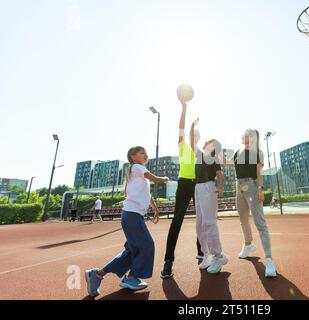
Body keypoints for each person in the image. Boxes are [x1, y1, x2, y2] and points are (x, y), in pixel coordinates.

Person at [85, 146, 169, 297]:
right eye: (141, 152)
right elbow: (154, 178)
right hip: (132, 215)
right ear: (133, 156)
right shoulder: (137, 167)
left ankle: (96, 275)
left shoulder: (138, 174)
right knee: (147, 245)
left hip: (132, 215)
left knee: (131, 252)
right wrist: (164, 179)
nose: (146, 154)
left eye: (145, 152)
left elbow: (147, 194)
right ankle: (131, 277)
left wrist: (155, 208)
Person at [160, 99, 203, 279]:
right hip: (184, 184)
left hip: (198, 185)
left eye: (196, 136)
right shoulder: (182, 147)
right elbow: (181, 129)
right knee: (176, 221)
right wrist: (184, 108)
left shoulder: (201, 153)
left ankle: (202, 253)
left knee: (201, 220)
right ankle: (168, 261)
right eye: (192, 135)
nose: (194, 137)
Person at [226, 128, 277, 278]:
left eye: (248, 134)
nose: (245, 136)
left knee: (260, 223)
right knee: (243, 220)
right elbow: (229, 163)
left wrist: (260, 189)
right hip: (239, 186)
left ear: (254, 138)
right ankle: (248, 245)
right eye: (244, 134)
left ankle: (269, 260)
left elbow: (258, 172)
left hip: (253, 186)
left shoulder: (257, 152)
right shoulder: (237, 152)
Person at [190, 118, 227, 274]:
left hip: (208, 187)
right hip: (197, 187)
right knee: (199, 223)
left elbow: (220, 176)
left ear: (214, 147)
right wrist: (192, 126)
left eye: (208, 142)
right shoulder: (199, 154)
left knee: (209, 222)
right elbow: (192, 142)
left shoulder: (213, 158)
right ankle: (207, 254)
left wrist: (219, 188)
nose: (205, 142)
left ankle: (219, 256)